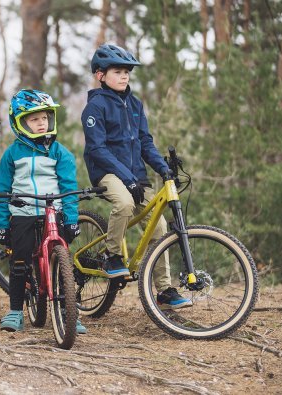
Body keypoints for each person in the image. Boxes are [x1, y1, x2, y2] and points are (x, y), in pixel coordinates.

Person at [80, 44, 191, 309]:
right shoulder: (95, 107)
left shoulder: (135, 105)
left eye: (127, 72)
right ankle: (112, 256)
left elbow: (145, 142)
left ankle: (164, 291)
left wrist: (162, 168)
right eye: (118, 71)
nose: (125, 76)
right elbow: (97, 149)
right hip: (107, 174)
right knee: (125, 204)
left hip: (135, 177)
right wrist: (126, 176)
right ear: (100, 75)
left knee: (160, 226)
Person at [0, 89, 86, 333]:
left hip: (53, 212)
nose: (41, 123)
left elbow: (69, 188)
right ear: (20, 122)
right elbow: (2, 191)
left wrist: (72, 218)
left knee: (63, 260)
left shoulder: (60, 152)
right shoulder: (12, 154)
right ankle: (15, 311)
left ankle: (69, 313)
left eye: (45, 118)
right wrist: (3, 224)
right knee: (20, 262)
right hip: (23, 213)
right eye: (34, 119)